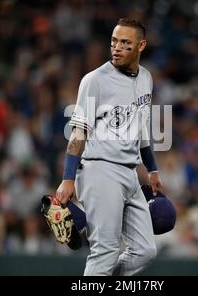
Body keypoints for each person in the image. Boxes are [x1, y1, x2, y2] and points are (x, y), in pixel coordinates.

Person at [55, 18, 163, 276]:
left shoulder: (146, 78)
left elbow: (142, 129)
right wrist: (67, 179)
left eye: (126, 43)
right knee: (105, 251)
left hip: (129, 173)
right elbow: (78, 132)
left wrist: (153, 170)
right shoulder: (95, 80)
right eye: (114, 41)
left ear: (141, 45)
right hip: (99, 170)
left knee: (145, 250)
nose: (116, 47)